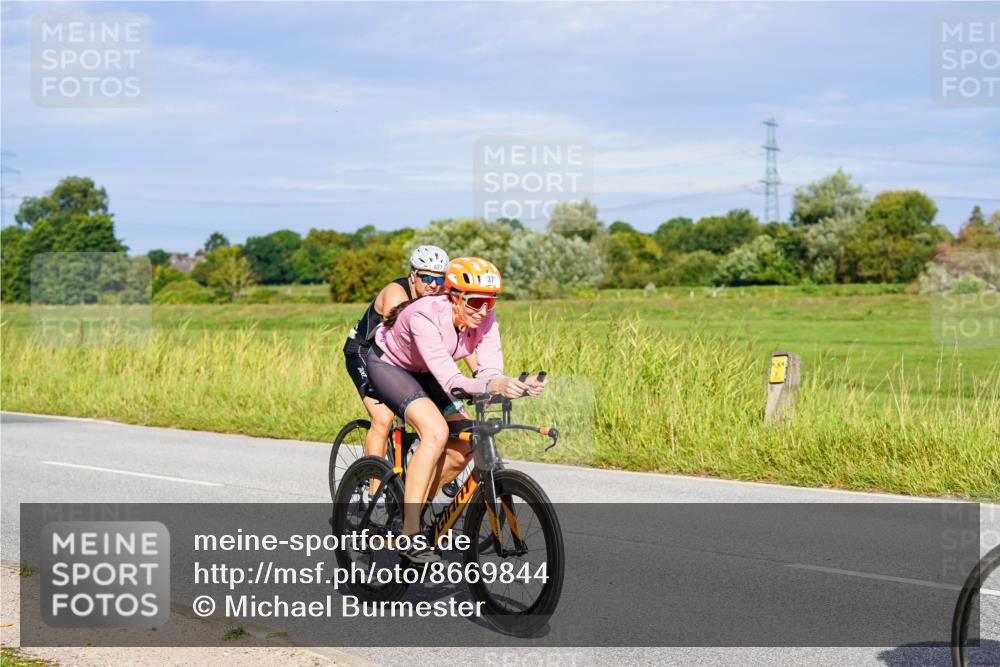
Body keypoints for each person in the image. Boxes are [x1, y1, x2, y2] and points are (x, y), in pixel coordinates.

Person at [366, 257, 545, 564]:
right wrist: (494, 386)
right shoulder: (425, 314)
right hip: (392, 366)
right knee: (435, 432)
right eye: (475, 301)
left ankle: (415, 501)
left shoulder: (486, 318)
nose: (483, 310)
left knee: (466, 443)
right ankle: (409, 534)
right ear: (454, 296)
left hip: (429, 371)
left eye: (490, 302)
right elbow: (451, 380)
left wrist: (510, 384)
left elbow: (488, 371)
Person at [343, 245, 450, 460]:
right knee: (383, 419)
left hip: (406, 357)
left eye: (439, 280)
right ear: (413, 276)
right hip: (365, 352)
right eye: (426, 278)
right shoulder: (396, 294)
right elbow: (395, 343)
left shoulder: (441, 297)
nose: (433, 285)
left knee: (442, 415)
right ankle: (375, 490)